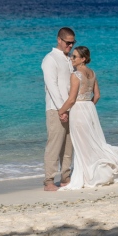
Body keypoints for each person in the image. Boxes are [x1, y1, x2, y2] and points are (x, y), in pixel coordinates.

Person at [58, 46, 118, 190]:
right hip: (89, 109)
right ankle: (97, 170)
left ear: (83, 59)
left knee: (82, 144)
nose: (72, 59)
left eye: (75, 57)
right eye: (72, 56)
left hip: (78, 109)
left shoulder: (76, 75)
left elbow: (72, 99)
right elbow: (97, 95)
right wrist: (89, 106)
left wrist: (60, 111)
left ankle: (89, 175)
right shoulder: (92, 73)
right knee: (94, 141)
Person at [41, 27, 76, 192]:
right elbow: (52, 86)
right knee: (54, 145)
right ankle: (48, 180)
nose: (70, 46)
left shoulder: (69, 59)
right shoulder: (50, 59)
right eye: (68, 43)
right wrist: (61, 110)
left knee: (69, 146)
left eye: (72, 43)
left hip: (70, 108)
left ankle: (65, 177)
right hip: (55, 109)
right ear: (59, 40)